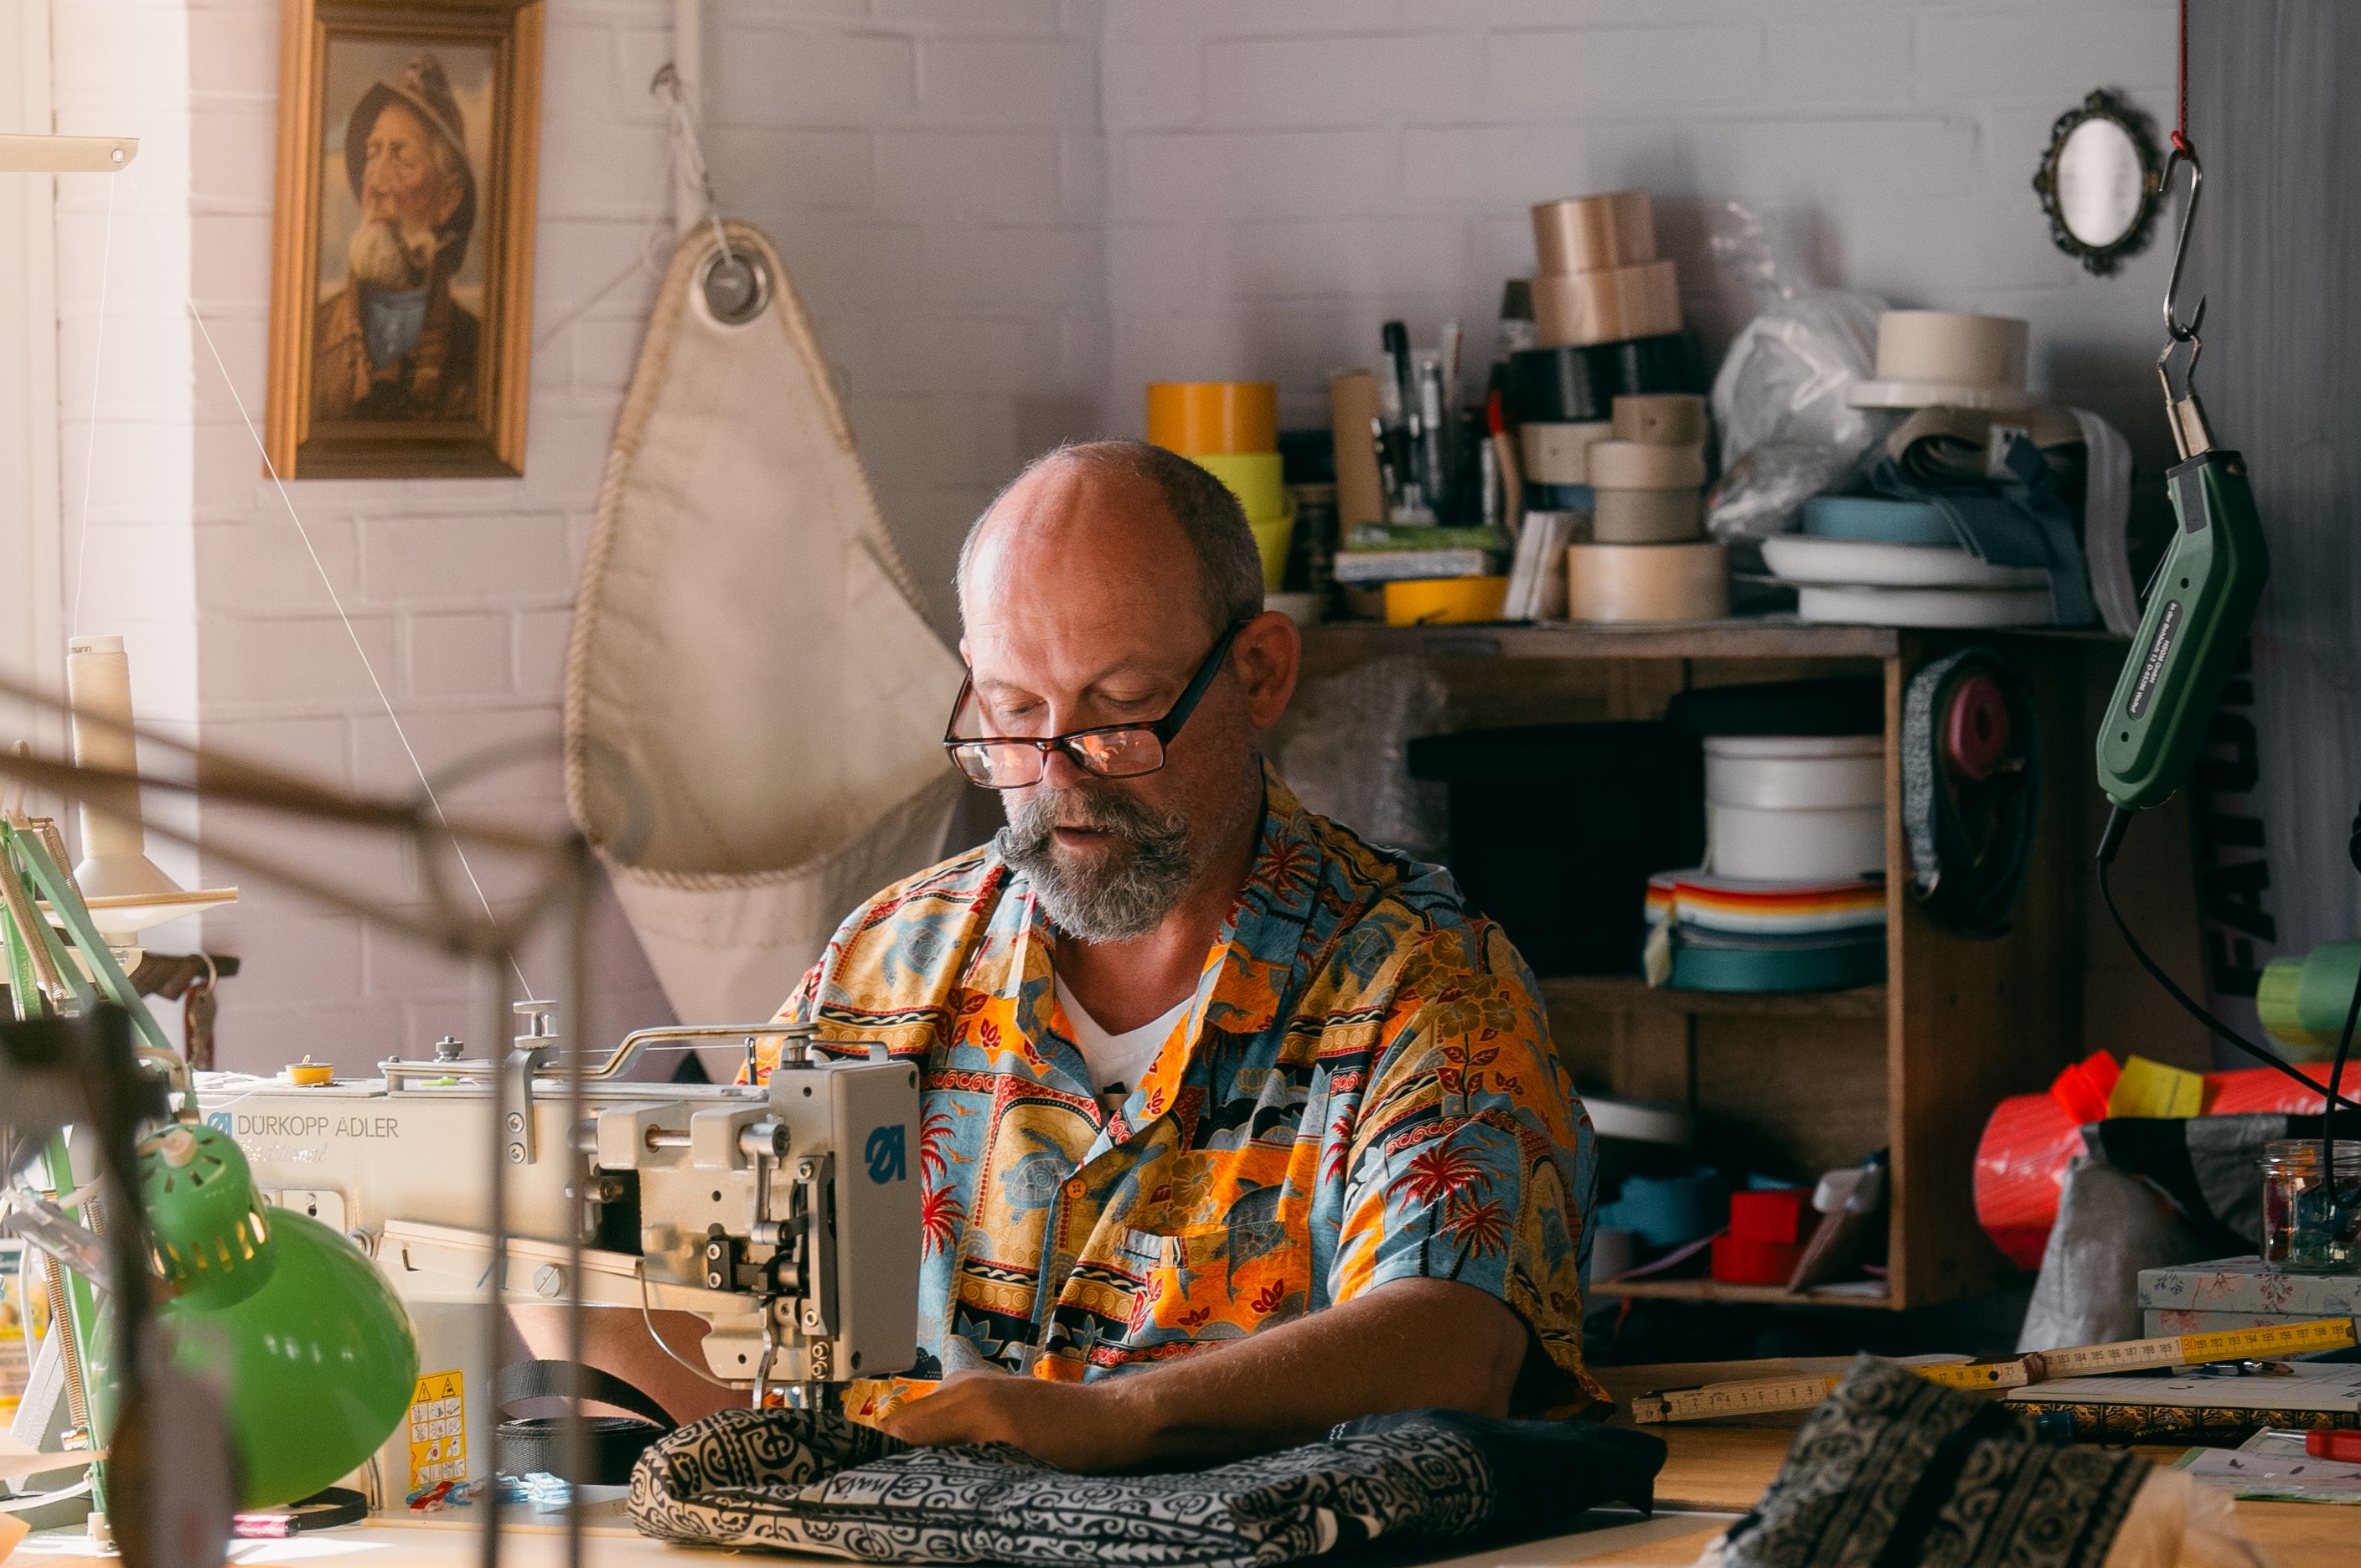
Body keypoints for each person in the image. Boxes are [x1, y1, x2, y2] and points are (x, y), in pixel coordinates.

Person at [591, 437, 1603, 1465]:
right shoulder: (886, 967)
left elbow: (1453, 1343)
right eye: (1014, 711)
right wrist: (575, 1291)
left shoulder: (1424, 982)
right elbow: (702, 1302)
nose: (1060, 775)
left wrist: (1115, 1419)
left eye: (1119, 710)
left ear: (1258, 674)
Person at [311, 55, 482, 427]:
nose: (377, 183)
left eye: (402, 156)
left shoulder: (480, 354)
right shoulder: (312, 339)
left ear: (448, 199)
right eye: (373, 154)